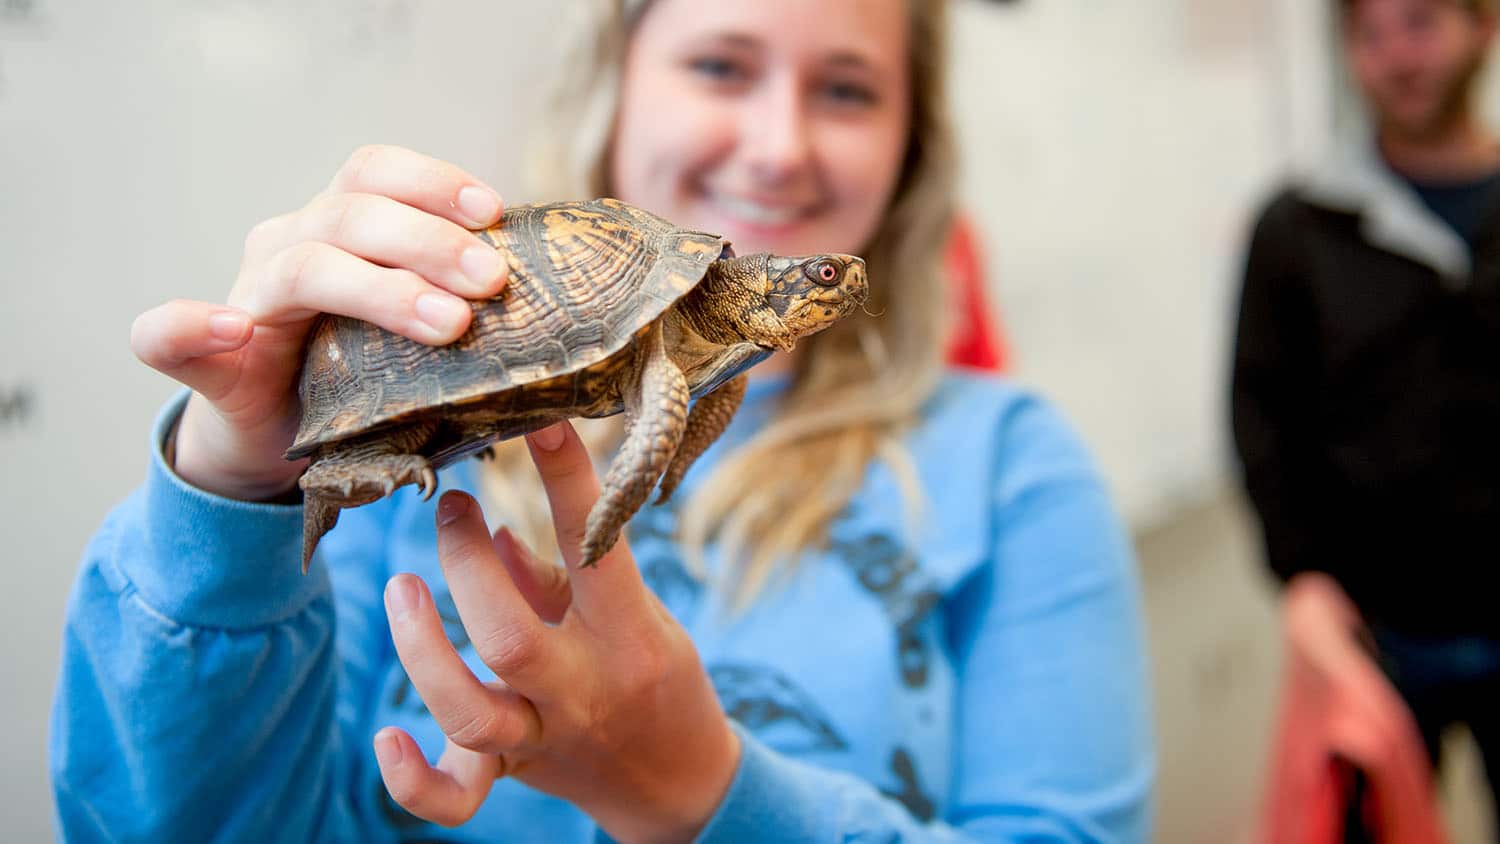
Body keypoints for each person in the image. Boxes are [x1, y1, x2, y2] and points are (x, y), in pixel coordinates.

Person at [52, 1, 1155, 840]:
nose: (779, 146)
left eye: (848, 89)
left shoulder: (1012, 469)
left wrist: (695, 788)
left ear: (913, 143)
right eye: (721, 65)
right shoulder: (420, 487)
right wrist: (237, 484)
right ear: (616, 84)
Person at [1232, 0, 1500, 834]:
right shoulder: (1300, 227)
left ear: (1483, 25)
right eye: (1368, 35)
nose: (1395, 57)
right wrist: (1302, 577)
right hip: (1377, 634)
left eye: (1418, 23)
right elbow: (1262, 414)